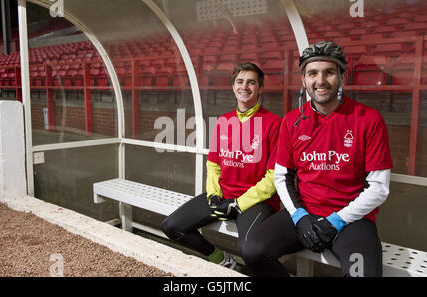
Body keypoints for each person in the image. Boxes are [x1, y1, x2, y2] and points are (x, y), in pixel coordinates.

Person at [241, 41, 393, 277]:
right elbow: (282, 177)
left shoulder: (369, 119)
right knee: (252, 251)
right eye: (312, 73)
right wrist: (300, 217)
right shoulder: (291, 121)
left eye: (329, 72)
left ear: (342, 76)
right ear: (303, 80)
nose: (320, 81)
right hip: (305, 213)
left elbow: (379, 188)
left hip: (352, 220)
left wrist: (336, 221)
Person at [161, 62, 281, 269]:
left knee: (250, 251)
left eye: (251, 82)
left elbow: (273, 177)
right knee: (172, 227)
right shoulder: (223, 121)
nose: (245, 87)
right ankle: (221, 260)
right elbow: (214, 164)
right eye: (240, 82)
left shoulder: (274, 123)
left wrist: (239, 203)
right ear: (233, 87)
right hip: (224, 195)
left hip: (256, 202)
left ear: (260, 88)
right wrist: (214, 194)